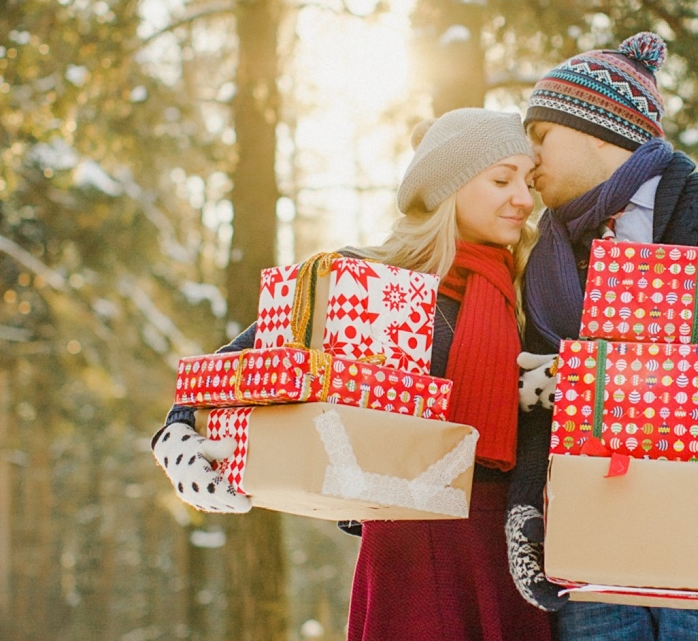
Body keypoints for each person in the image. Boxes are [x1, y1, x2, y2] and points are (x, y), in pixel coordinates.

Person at [152, 107, 554, 640]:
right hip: (409, 543)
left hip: (507, 546)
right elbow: (241, 366)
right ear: (446, 189)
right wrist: (177, 434)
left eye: (529, 181)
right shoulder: (366, 283)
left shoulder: (531, 289)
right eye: (502, 179)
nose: (524, 200)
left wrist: (547, 391)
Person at [505, 32, 698, 640]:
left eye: (540, 135)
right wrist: (526, 511)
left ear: (599, 129)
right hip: (590, 554)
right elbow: (541, 394)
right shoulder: (543, 254)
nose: (530, 159)